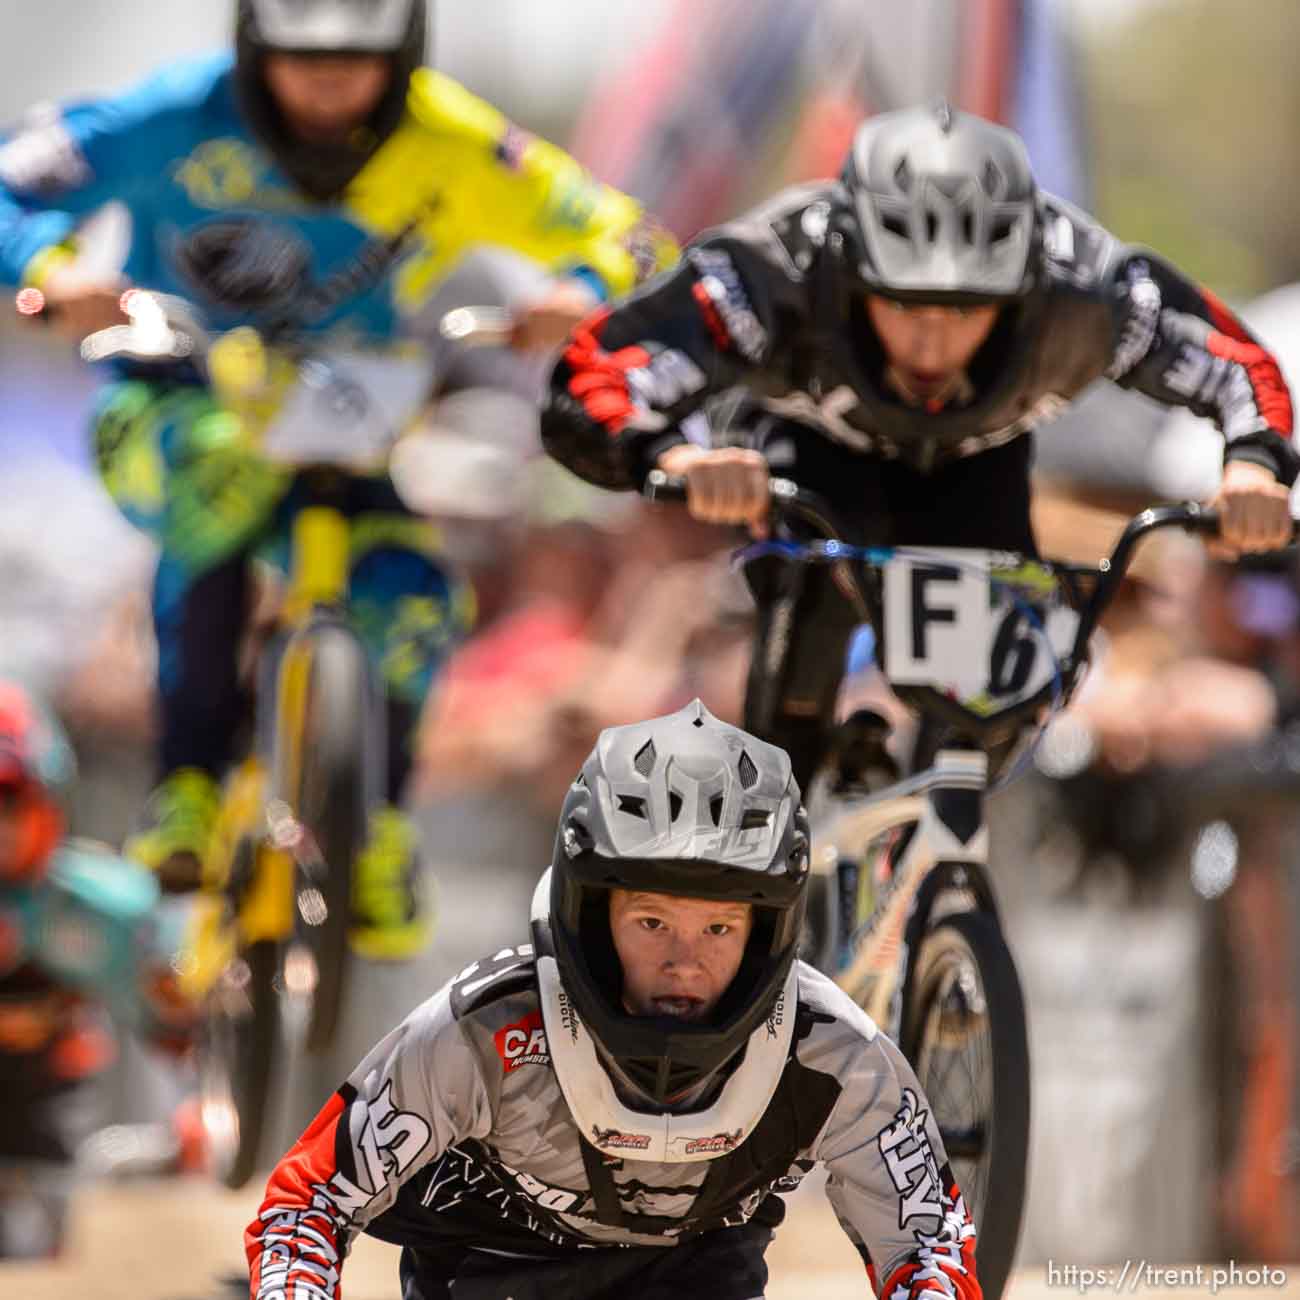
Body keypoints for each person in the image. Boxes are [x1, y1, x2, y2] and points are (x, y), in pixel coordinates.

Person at [0, 0, 676, 958]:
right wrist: (52, 271)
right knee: (215, 483)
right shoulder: (171, 117)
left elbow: (633, 236)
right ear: (252, 49)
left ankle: (381, 822)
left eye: (357, 61)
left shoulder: (453, 140)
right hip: (179, 402)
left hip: (350, 423)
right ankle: (185, 782)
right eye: (300, 60)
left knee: (410, 601)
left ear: (399, 55)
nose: (327, 85)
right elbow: (12, 180)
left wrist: (578, 293)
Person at [540, 101, 1298, 793]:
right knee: (792, 696)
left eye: (966, 311)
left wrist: (1256, 464)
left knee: (998, 707)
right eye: (901, 303)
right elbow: (596, 372)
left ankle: (929, 878)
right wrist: (675, 459)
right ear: (848, 269)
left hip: (974, 463)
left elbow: (1241, 364)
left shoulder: (1088, 287)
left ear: (1022, 288)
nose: (932, 342)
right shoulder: (776, 268)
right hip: (809, 452)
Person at [246, 701, 981, 1300]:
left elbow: (928, 1244)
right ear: (591, 915)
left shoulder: (835, 1052)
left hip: (698, 1273)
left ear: (770, 929)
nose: (684, 961)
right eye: (652, 921)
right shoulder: (486, 1027)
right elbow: (305, 1205)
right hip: (491, 1271)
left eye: (720, 927)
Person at [0, 679, 183, 1257]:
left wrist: (194, 1118)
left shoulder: (107, 912)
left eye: (7, 800)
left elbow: (177, 1030)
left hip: (50, 1144)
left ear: (47, 803)